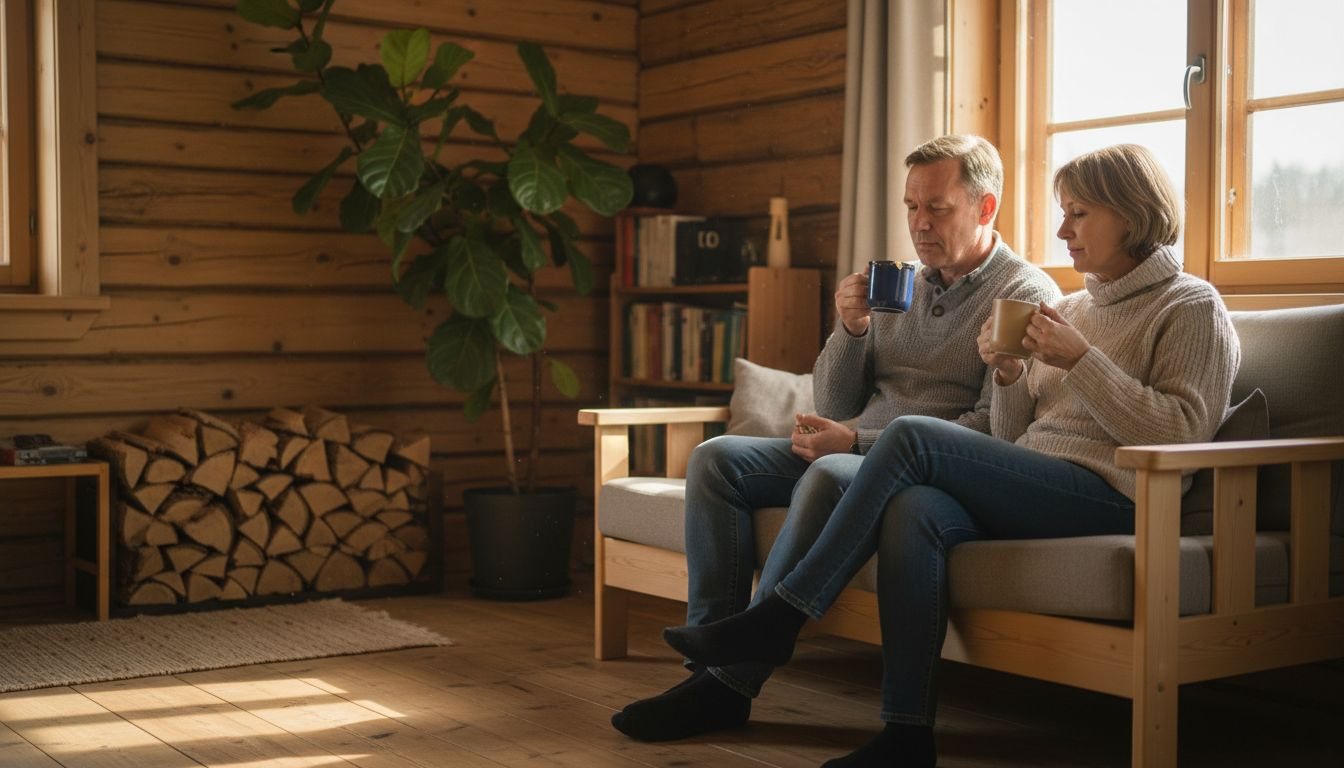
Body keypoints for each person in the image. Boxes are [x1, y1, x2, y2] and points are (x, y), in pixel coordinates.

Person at [660, 143, 1240, 767]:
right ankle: (906, 735)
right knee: (916, 509)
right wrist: (1012, 373)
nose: (1061, 229)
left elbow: (1181, 430)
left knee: (910, 436)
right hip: (1036, 479)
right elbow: (1022, 430)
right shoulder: (1073, 307)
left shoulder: (1191, 305)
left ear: (1133, 214)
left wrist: (1077, 360)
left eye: (1078, 213)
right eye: (1063, 212)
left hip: (1117, 493)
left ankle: (781, 614)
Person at [610, 135, 1060, 742]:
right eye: (910, 207)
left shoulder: (1023, 294)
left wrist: (855, 445)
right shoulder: (901, 282)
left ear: (985, 208)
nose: (919, 224)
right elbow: (835, 401)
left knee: (827, 473)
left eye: (938, 208)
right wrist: (848, 329)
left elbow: (991, 430)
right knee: (716, 460)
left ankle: (727, 686)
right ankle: (708, 666)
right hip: (853, 442)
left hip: (917, 472)